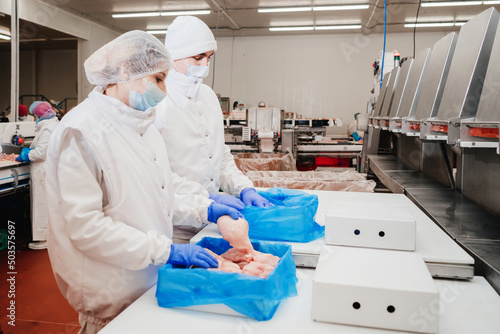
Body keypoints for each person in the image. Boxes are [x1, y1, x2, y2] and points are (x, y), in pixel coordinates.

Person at [45, 30, 240, 334]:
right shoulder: (81, 130)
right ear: (126, 71)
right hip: (109, 297)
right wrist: (166, 251)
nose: (163, 91)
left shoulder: (143, 125)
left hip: (148, 284)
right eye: (159, 79)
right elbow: (86, 228)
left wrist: (205, 207)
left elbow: (161, 191)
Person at [155, 16, 270, 242]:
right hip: (174, 228)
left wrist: (243, 188)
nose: (205, 65)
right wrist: (205, 199)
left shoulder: (207, 96)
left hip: (214, 222)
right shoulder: (158, 103)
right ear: (173, 56)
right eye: (198, 58)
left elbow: (219, 156)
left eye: (208, 58)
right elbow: (157, 175)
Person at [16, 101, 59, 250]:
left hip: (43, 171)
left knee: (42, 204)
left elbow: (41, 153)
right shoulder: (52, 125)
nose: (34, 118)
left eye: (35, 115)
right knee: (48, 204)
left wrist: (26, 155)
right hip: (47, 170)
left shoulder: (47, 129)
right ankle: (49, 236)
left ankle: (44, 239)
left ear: (40, 115)